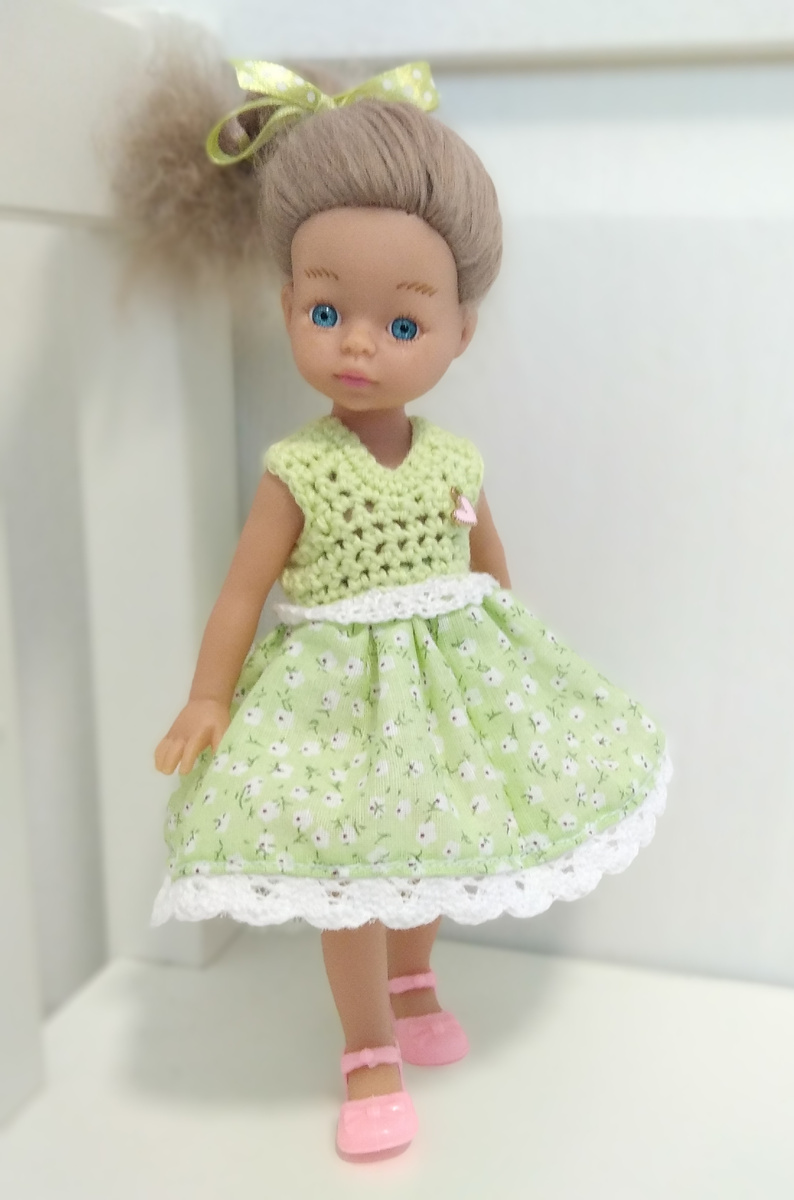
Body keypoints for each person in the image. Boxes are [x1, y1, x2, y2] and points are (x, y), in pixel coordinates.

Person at [127, 55, 671, 1161]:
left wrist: (518, 670)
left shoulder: (454, 457)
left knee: (434, 843)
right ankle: (365, 1046)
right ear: (288, 306)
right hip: (334, 702)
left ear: (461, 330)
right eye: (327, 311)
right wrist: (206, 696)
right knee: (352, 878)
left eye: (403, 324)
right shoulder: (298, 469)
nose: (360, 343)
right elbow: (243, 590)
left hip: (446, 686)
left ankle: (416, 981)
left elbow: (490, 560)